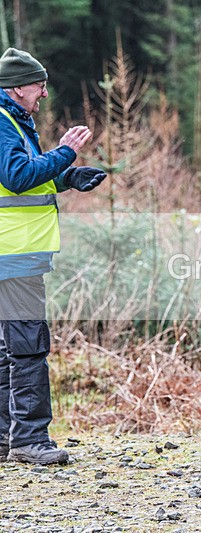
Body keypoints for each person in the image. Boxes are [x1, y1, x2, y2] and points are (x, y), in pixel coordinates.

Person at [0, 48, 107, 465]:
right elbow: (18, 176)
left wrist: (68, 178)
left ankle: (8, 439)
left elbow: (23, 175)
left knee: (8, 347)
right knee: (27, 345)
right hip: (13, 253)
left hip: (13, 252)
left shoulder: (13, 120)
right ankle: (30, 440)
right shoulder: (3, 121)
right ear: (18, 87)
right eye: (39, 84)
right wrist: (65, 152)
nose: (44, 93)